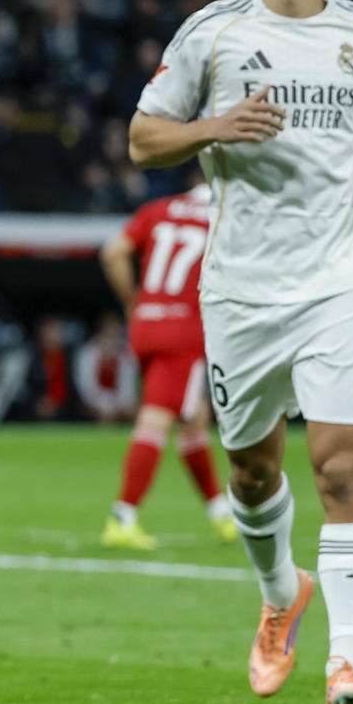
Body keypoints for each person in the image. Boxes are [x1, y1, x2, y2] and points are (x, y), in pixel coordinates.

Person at [128, 0, 353, 704]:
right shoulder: (212, 34)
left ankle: (346, 664)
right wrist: (214, 126)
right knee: (252, 474)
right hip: (243, 289)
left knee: (336, 465)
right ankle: (279, 591)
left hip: (338, 276)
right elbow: (144, 140)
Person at [97, 183, 234, 551]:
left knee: (193, 419)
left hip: (146, 321)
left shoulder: (158, 209)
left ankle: (221, 515)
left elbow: (113, 253)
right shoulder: (225, 216)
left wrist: (132, 300)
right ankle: (122, 517)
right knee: (157, 417)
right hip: (184, 327)